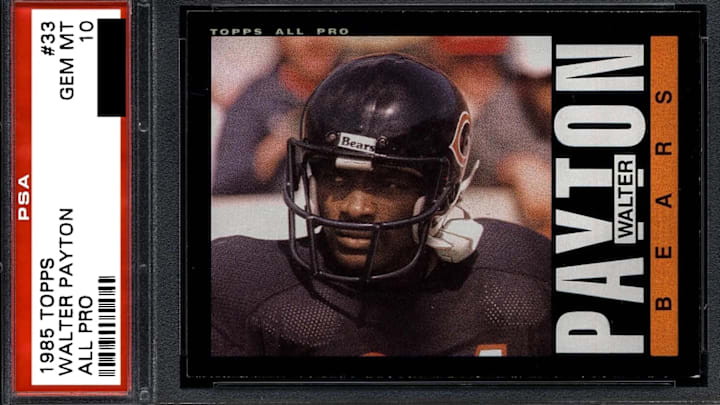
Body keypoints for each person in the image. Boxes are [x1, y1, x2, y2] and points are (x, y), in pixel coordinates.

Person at [211, 54, 551, 357]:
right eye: (337, 178)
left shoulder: (519, 279)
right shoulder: (244, 288)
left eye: (389, 184)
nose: (356, 207)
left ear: (441, 189)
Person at [213, 37, 340, 194]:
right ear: (281, 40)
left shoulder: (356, 90)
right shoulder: (255, 99)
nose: (315, 40)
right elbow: (224, 186)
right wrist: (269, 154)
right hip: (275, 205)